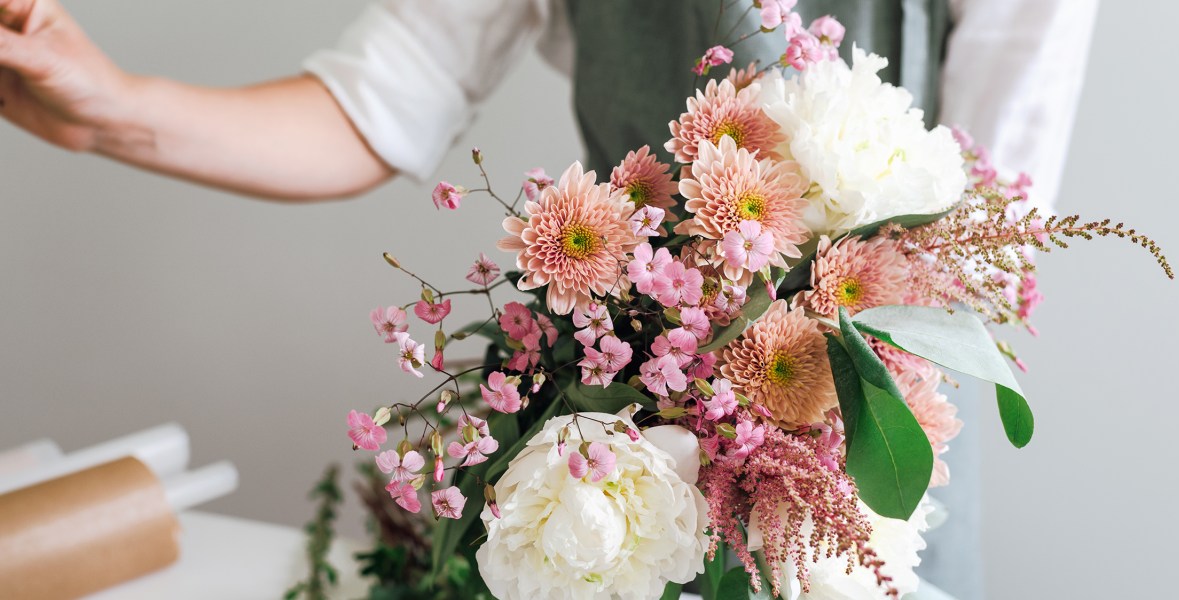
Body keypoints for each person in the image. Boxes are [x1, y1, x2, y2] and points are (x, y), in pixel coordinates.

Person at [0, 1, 1097, 597]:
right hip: (621, 449)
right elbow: (380, 99)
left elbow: (987, 232)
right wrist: (110, 113)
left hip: (858, 453)